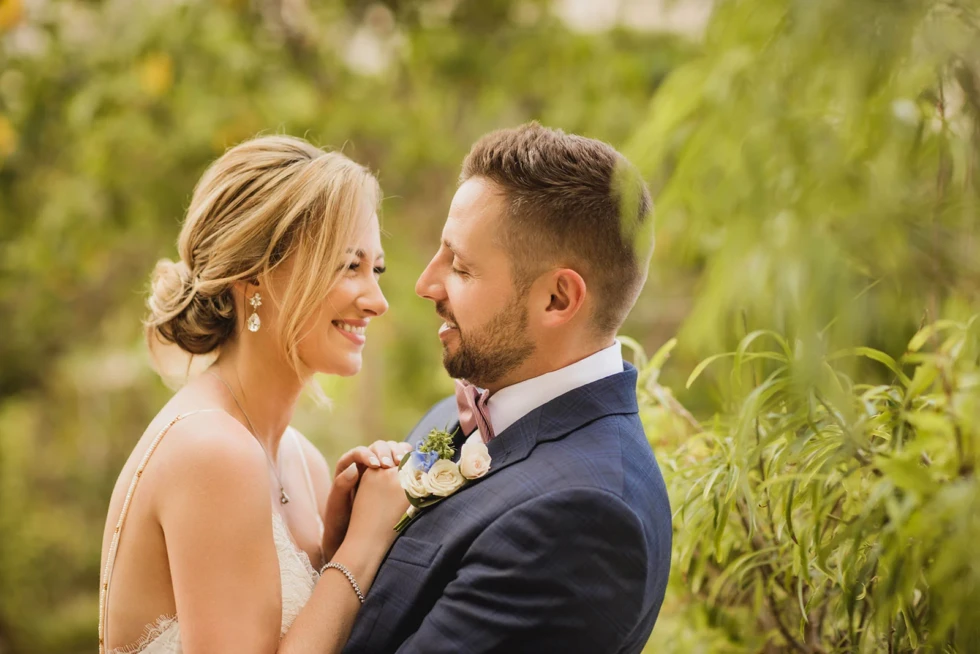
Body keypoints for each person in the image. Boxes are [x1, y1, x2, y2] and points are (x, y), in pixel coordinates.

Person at [342, 122, 672, 654]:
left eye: (462, 267)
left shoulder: (586, 520)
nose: (426, 284)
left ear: (558, 300)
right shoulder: (448, 417)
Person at [99, 135, 412, 654]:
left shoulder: (303, 465)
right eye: (348, 266)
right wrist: (361, 546)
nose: (377, 300)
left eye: (375, 269)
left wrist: (334, 545)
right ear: (256, 278)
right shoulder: (212, 452)